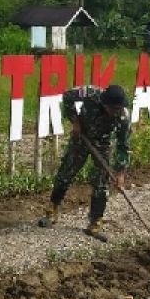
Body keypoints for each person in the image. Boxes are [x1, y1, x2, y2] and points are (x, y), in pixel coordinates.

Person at [37, 84, 131, 241]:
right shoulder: (91, 94)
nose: (114, 112)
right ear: (104, 103)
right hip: (82, 138)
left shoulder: (123, 117)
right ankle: (52, 211)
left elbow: (123, 146)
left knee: (101, 183)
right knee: (65, 174)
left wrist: (120, 173)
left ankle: (95, 222)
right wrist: (75, 121)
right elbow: (67, 96)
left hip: (103, 145)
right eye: (111, 108)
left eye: (117, 109)